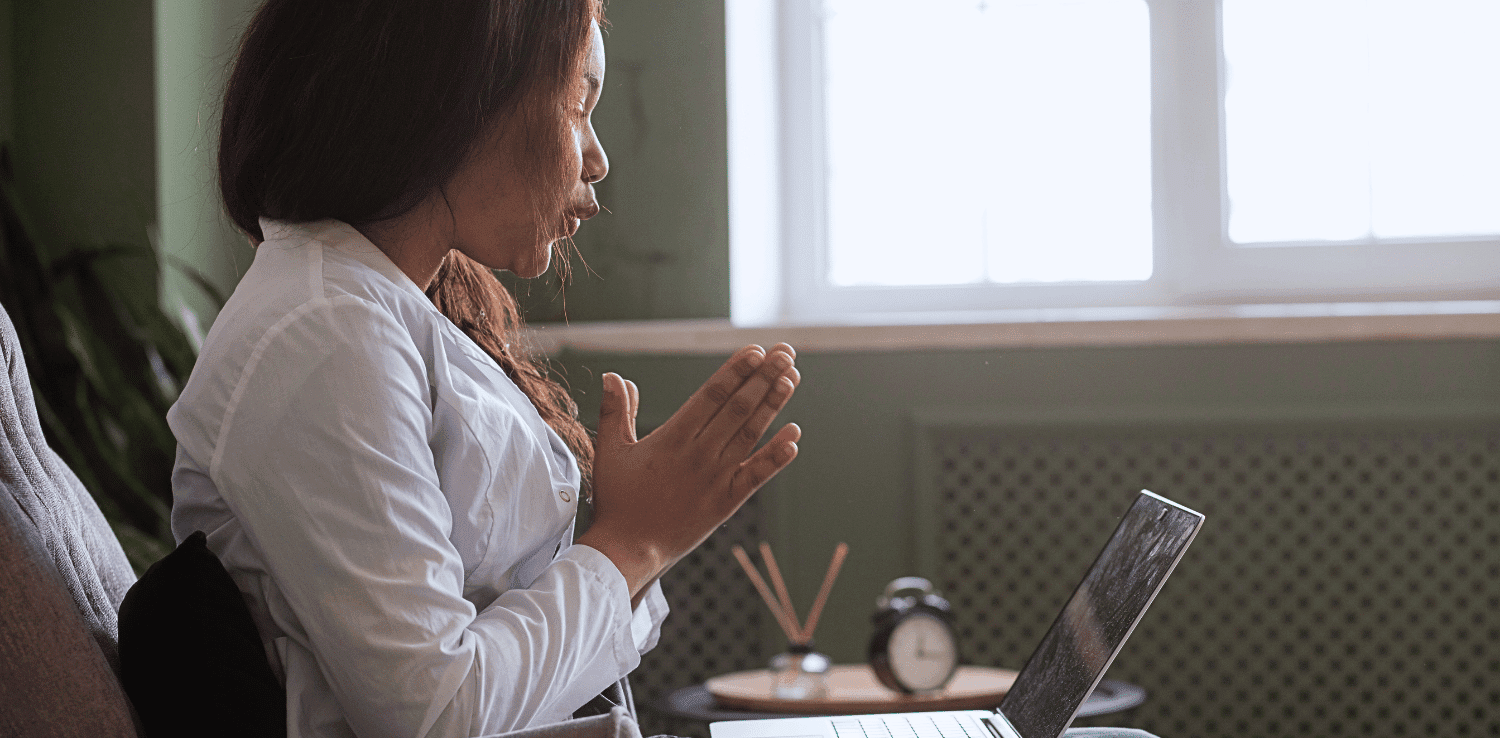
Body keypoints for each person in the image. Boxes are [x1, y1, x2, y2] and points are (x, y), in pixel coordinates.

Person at [166, 1, 802, 736]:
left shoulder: (376, 310)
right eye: (577, 105)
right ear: (453, 99)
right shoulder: (323, 335)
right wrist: (631, 544)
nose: (596, 159)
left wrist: (638, 540)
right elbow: (438, 712)